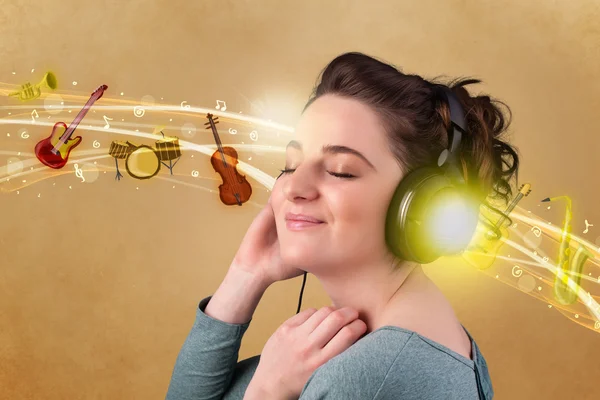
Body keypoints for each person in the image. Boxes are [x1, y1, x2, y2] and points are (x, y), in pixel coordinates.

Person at [165, 52, 519, 400]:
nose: (294, 188)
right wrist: (246, 275)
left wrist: (268, 392)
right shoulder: (396, 343)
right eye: (291, 164)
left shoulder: (365, 377)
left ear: (421, 204)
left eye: (340, 170)